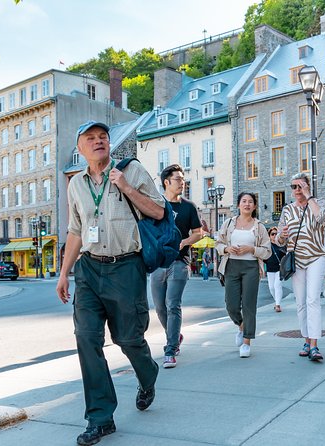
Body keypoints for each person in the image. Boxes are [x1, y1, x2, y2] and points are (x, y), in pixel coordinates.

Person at [56, 121, 164, 446]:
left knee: (129, 339)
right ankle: (100, 418)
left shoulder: (131, 171)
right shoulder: (75, 185)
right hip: (88, 270)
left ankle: (148, 376)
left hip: (126, 267)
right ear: (81, 149)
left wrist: (126, 187)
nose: (98, 142)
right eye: (90, 139)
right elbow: (76, 230)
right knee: (86, 338)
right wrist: (64, 273)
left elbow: (158, 212)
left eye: (102, 137)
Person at [150, 164, 203, 369]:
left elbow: (199, 232)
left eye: (183, 179)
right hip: (158, 263)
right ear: (166, 182)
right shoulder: (155, 205)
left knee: (173, 305)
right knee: (160, 307)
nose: (183, 182)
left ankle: (170, 349)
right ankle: (175, 335)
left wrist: (185, 241)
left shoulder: (188, 206)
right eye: (178, 179)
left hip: (180, 262)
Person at [277, 173, 325, 361]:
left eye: (301, 186)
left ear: (308, 186)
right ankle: (306, 340)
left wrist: (309, 196)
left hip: (317, 255)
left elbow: (322, 218)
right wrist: (282, 235)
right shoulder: (287, 210)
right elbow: (279, 240)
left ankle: (314, 345)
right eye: (294, 187)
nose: (297, 190)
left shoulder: (318, 203)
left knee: (312, 299)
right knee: (300, 303)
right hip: (296, 258)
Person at [216, 192, 271, 358]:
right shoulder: (228, 223)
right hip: (231, 265)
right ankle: (241, 326)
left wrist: (251, 249)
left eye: (250, 202)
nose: (247, 204)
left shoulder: (259, 226)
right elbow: (218, 243)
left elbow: (267, 252)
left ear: (254, 206)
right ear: (238, 205)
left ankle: (247, 340)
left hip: (251, 267)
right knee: (231, 305)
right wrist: (226, 249)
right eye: (244, 201)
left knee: (248, 305)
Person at [265, 227, 286, 312]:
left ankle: (278, 305)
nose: (274, 236)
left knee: (277, 285)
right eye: (272, 234)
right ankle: (276, 301)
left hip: (279, 269)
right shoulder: (267, 245)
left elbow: (286, 256)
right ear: (269, 236)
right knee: (271, 288)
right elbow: (263, 256)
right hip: (270, 269)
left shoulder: (281, 244)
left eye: (276, 234)